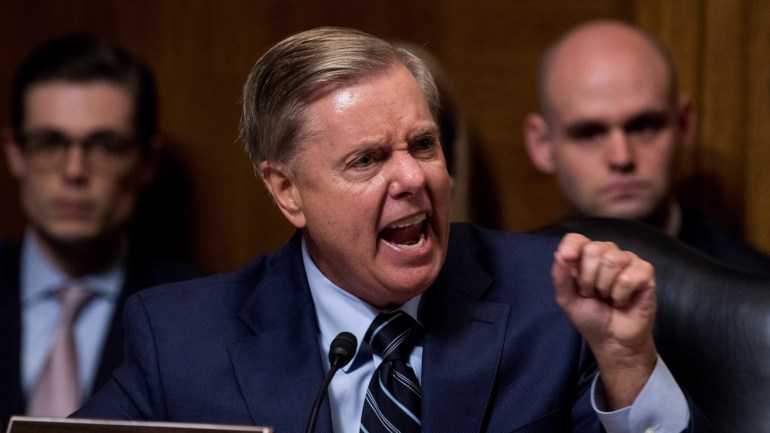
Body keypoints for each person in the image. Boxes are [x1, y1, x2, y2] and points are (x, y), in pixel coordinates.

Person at [75, 27, 708, 432]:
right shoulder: (183, 339)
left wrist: (628, 363)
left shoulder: (551, 301)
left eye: (424, 145)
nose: (413, 178)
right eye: (368, 160)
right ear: (286, 190)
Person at [0, 34, 197, 428]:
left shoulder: (197, 318)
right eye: (49, 142)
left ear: (146, 162)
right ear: (15, 153)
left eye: (105, 145)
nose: (74, 171)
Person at [523, 19, 770, 273]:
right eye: (590, 133)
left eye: (643, 127)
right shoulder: (511, 284)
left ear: (683, 125)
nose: (621, 158)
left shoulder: (757, 293)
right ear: (542, 144)